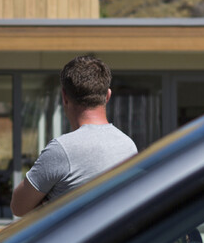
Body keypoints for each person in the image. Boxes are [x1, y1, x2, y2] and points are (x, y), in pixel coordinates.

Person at [10, 55, 137, 217]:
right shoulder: (128, 146)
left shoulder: (61, 150)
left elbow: (18, 207)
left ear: (64, 97)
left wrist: (47, 199)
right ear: (108, 96)